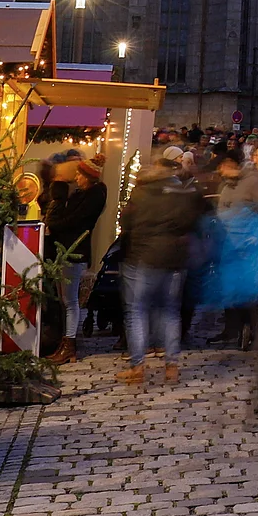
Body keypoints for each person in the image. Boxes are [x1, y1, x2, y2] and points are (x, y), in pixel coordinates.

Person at [115, 147, 202, 385]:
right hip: (174, 258)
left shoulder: (141, 192)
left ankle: (138, 366)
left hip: (143, 256)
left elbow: (127, 224)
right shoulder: (181, 193)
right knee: (171, 311)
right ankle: (171, 366)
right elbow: (190, 222)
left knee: (137, 311)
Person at [42, 153, 107, 362]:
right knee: (66, 299)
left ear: (88, 177)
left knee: (70, 300)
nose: (76, 178)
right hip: (67, 250)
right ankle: (66, 341)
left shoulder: (92, 197)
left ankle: (69, 344)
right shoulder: (82, 195)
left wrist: (55, 221)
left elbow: (70, 221)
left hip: (74, 251)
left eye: (80, 175)